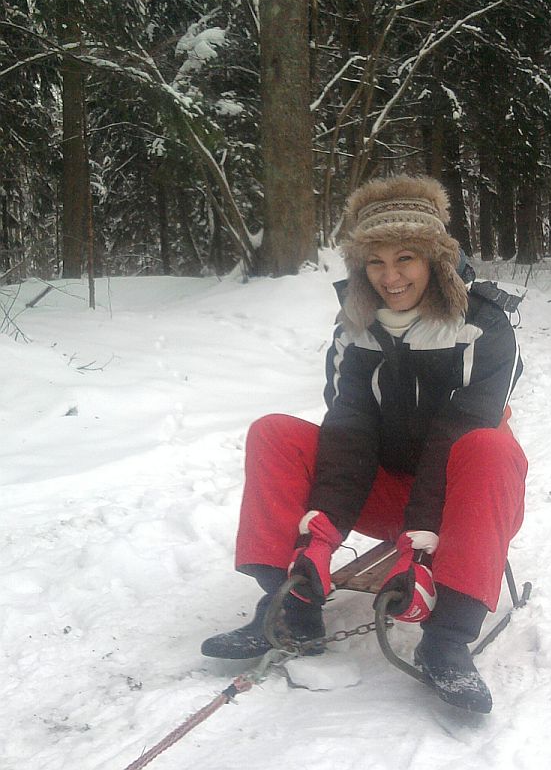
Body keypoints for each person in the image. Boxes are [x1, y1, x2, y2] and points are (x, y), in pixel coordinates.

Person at [201, 174, 528, 714]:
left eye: (405, 259)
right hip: (383, 494)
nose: (390, 277)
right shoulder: (354, 328)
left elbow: (459, 431)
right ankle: (292, 607)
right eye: (375, 262)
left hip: (461, 503)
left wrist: (419, 549)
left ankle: (447, 639)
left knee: (488, 446)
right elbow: (348, 430)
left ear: (435, 259)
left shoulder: (484, 326)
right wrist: (321, 535)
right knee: (274, 432)